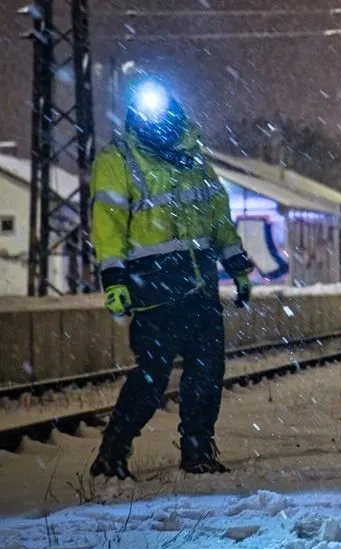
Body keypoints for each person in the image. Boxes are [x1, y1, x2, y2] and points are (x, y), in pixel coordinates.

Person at [88, 79, 253, 479]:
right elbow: (108, 226)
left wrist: (237, 265)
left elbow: (218, 218)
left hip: (200, 285)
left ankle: (198, 451)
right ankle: (112, 452)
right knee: (152, 378)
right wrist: (114, 279)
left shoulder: (195, 160)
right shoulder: (118, 161)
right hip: (154, 289)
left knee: (207, 373)